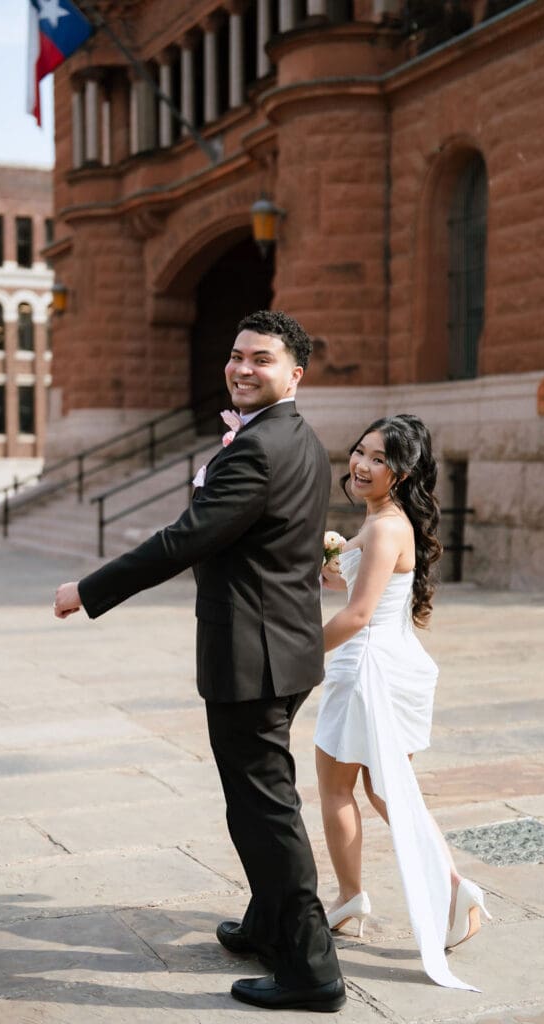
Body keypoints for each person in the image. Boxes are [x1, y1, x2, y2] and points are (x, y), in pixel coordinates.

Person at [54, 310, 345, 1013]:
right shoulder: (298, 438)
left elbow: (184, 539)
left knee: (264, 810)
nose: (243, 367)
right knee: (258, 798)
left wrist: (89, 590)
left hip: (253, 656)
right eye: (237, 355)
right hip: (284, 647)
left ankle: (311, 971)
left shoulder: (257, 449)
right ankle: (265, 924)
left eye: (262, 359)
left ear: (294, 374)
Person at [314, 414, 490, 991]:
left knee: (340, 788)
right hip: (385, 662)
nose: (362, 465)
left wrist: (298, 653)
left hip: (367, 667)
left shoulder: (386, 527)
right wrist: (333, 557)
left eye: (379, 459)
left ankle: (371, 895)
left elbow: (359, 614)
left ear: (404, 472)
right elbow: (358, 586)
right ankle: (428, 889)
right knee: (386, 790)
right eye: (361, 452)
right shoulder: (385, 521)